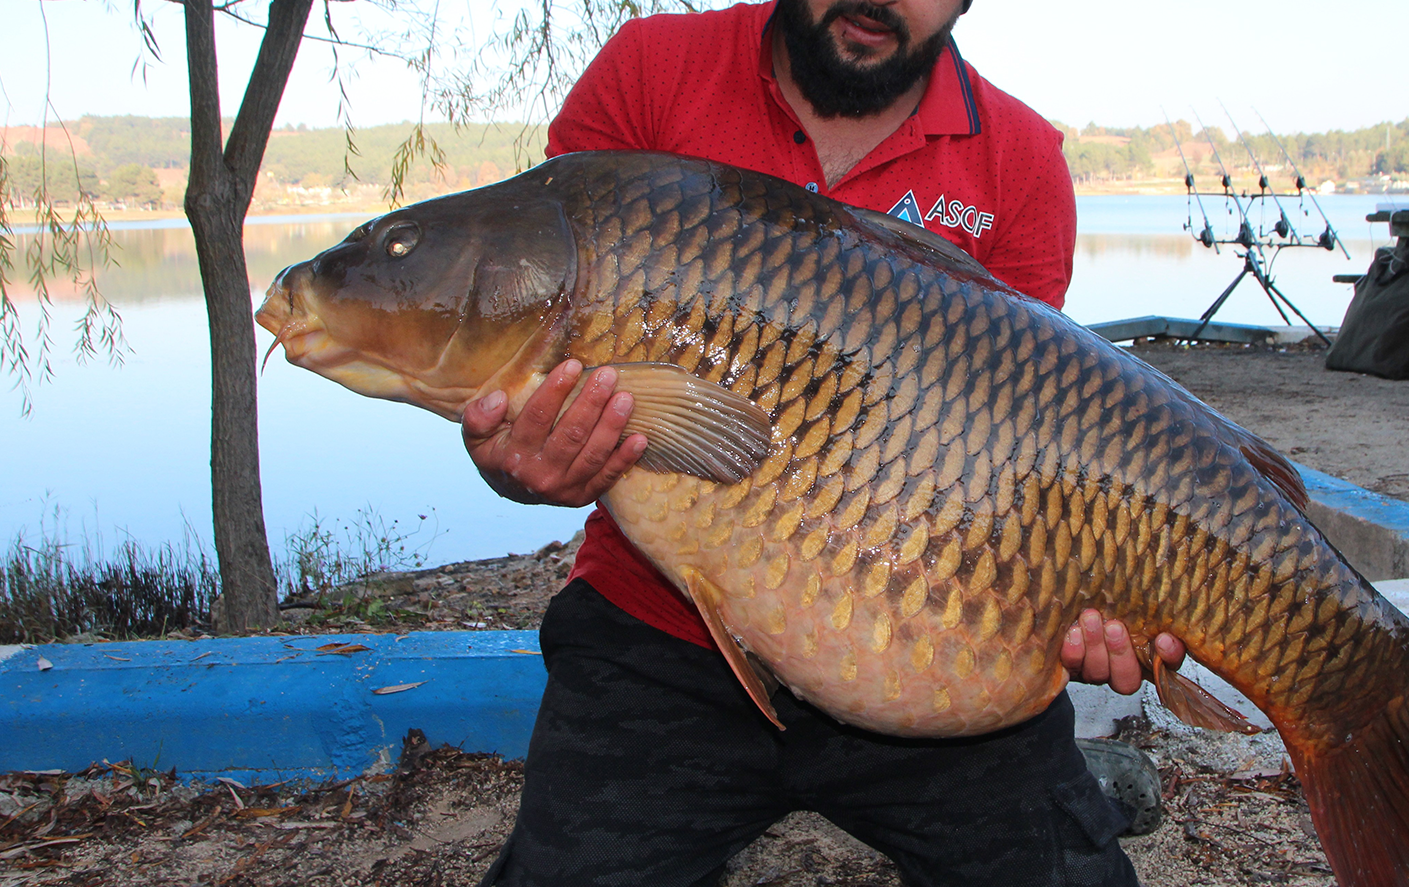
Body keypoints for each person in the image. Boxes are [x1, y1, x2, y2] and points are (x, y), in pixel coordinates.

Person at [469, 2, 1186, 884]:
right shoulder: (653, 74)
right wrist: (518, 461)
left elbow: (1033, 463)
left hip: (927, 656)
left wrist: (1080, 595)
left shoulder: (1020, 160)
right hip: (658, 640)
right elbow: (537, 362)